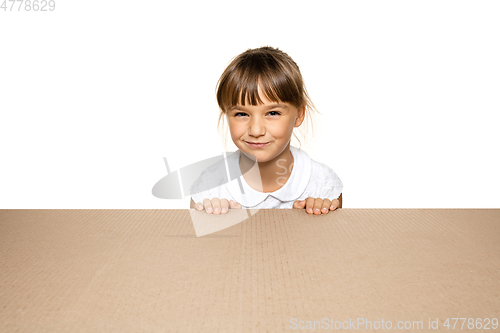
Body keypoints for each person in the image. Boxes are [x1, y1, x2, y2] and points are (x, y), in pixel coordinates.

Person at [190, 46, 343, 215]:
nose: (256, 130)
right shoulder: (210, 187)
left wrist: (319, 212)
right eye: (241, 114)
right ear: (226, 114)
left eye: (272, 113)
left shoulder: (322, 184)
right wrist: (208, 215)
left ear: (299, 115)